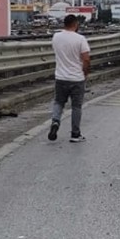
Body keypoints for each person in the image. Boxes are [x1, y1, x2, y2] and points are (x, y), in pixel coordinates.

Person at [48, 14, 91, 143]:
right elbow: (86, 59)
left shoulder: (56, 37)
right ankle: (75, 134)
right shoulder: (80, 39)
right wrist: (85, 73)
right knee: (76, 107)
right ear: (76, 24)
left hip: (60, 77)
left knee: (58, 102)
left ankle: (55, 122)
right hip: (77, 78)